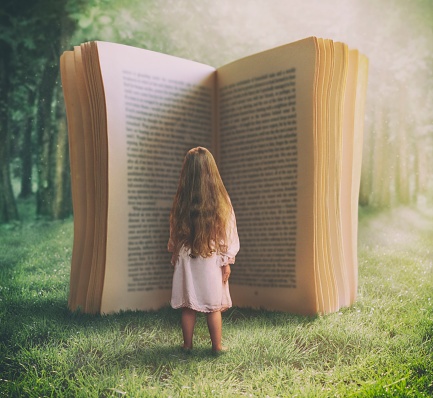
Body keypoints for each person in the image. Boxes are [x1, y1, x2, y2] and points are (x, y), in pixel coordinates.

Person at [168, 146, 240, 353]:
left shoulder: (181, 200)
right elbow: (228, 232)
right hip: (210, 258)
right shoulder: (221, 201)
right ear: (212, 170)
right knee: (213, 306)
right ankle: (217, 346)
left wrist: (174, 251)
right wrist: (226, 261)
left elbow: (174, 230)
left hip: (187, 256)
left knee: (188, 306)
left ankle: (187, 345)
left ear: (186, 171)